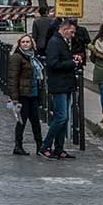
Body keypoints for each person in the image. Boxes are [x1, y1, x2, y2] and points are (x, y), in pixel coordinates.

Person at [41, 20, 79, 160]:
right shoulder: (54, 42)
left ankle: (59, 148)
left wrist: (72, 59)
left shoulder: (62, 42)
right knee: (61, 117)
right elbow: (53, 63)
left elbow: (61, 60)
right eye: (72, 31)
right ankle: (45, 146)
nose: (73, 35)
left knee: (64, 118)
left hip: (66, 84)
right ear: (64, 29)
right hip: (58, 85)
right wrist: (71, 63)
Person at [7, 35, 45, 155]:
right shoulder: (17, 57)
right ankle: (18, 146)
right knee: (21, 121)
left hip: (33, 93)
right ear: (19, 44)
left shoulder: (33, 57)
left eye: (27, 42)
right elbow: (12, 78)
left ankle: (40, 146)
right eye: (22, 42)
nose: (25, 44)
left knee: (35, 121)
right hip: (23, 94)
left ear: (32, 44)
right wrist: (14, 97)